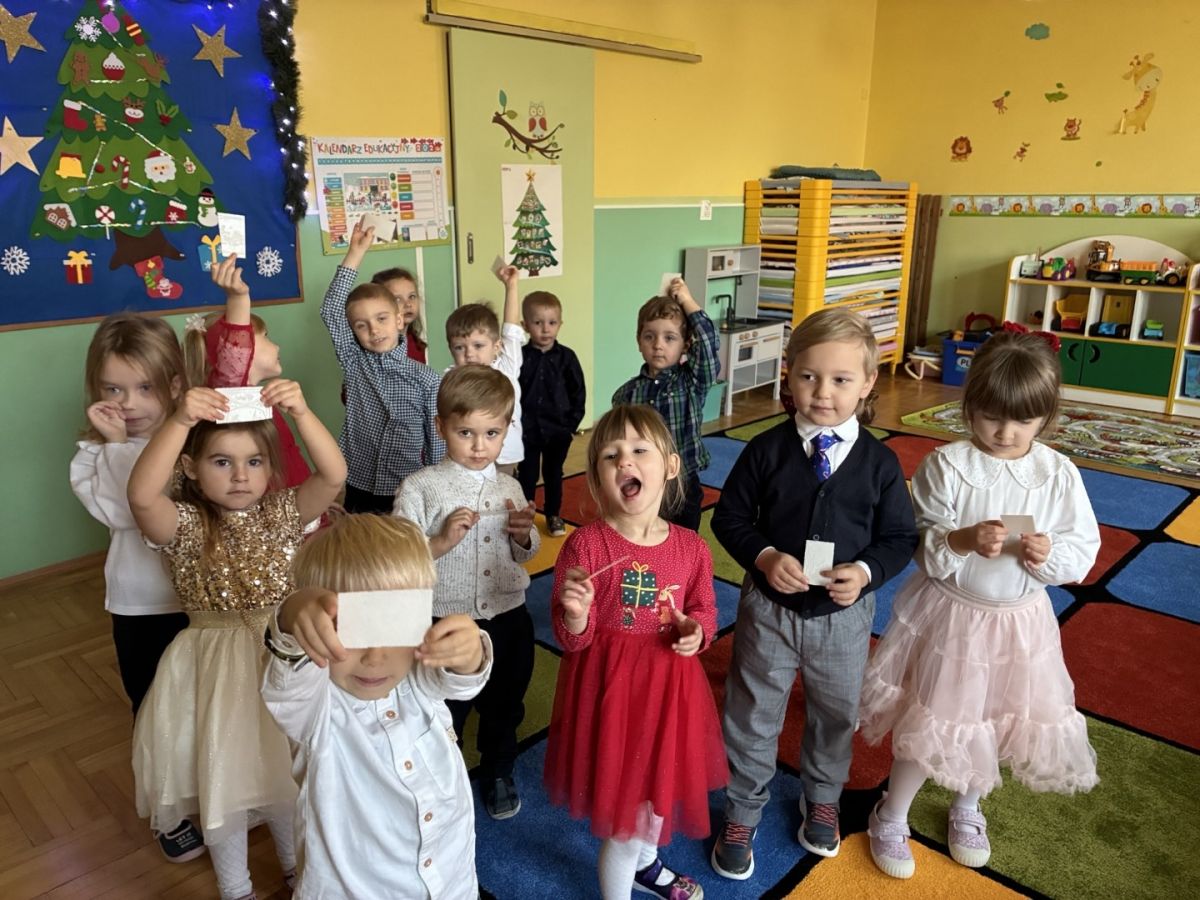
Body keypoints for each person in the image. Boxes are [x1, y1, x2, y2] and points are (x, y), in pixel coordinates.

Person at [858, 329, 1100, 880]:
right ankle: (891, 812)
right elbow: (919, 540)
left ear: (1046, 419)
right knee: (933, 717)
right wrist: (963, 540)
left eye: (1023, 421)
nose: (1005, 432)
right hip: (953, 617)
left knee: (995, 717)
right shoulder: (949, 464)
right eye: (992, 417)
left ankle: (968, 806)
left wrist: (1050, 553)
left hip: (1020, 623)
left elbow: (1082, 548)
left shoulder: (1057, 474)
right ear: (969, 408)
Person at [709, 309, 918, 879]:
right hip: (769, 611)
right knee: (751, 712)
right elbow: (729, 518)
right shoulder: (765, 449)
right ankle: (742, 809)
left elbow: (900, 537)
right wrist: (764, 556)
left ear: (868, 382)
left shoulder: (880, 463)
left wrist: (867, 572)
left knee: (835, 713)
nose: (823, 392)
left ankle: (822, 796)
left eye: (841, 379)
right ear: (789, 374)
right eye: (808, 376)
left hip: (843, 618)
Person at [127, 380, 346, 900]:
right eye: (222, 462)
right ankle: (235, 888)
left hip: (282, 658)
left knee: (284, 773)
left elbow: (333, 475)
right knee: (222, 782)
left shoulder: (282, 514)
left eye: (254, 461)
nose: (241, 475)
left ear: (270, 468)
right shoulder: (184, 524)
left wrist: (301, 411)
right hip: (212, 670)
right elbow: (141, 496)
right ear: (190, 467)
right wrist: (180, 420)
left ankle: (296, 869)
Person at [545, 404, 726, 900]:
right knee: (628, 821)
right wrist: (576, 614)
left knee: (659, 794)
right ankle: (628, 873)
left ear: (670, 466)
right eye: (611, 455)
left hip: (669, 694)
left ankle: (647, 865)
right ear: (598, 478)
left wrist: (695, 632)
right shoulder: (586, 546)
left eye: (639, 450)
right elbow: (572, 639)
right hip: (611, 696)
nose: (625, 461)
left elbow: (704, 610)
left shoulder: (691, 547)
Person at [262, 514, 492, 899]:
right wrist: (292, 615)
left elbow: (463, 682)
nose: (374, 656)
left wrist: (470, 651)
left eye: (393, 626)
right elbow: (285, 681)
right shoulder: (316, 708)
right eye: (349, 631)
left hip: (451, 876)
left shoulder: (416, 673)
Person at [68, 312, 205, 862]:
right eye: (113, 389)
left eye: (144, 387)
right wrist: (117, 445)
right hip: (140, 605)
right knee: (153, 709)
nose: (128, 402)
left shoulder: (195, 440)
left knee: (206, 702)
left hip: (204, 601)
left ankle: (213, 788)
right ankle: (168, 811)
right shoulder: (95, 455)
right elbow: (131, 510)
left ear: (174, 383)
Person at [393, 366, 539, 820]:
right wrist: (439, 543)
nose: (479, 446)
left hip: (509, 615)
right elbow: (397, 560)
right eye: (465, 433)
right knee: (445, 708)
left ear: (506, 430)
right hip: (444, 620)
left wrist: (524, 535)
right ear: (441, 427)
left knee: (506, 702)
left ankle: (498, 769)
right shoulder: (420, 487)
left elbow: (526, 553)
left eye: (491, 433)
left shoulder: (510, 486)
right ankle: (443, 776)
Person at [321, 221, 444, 513]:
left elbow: (436, 441)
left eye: (381, 319)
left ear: (399, 320)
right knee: (362, 540)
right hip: (359, 479)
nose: (374, 330)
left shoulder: (426, 379)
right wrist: (355, 253)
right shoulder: (354, 361)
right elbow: (331, 309)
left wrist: (436, 487)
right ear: (353, 331)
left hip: (406, 485)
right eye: (361, 325)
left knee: (404, 543)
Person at [182, 253, 310, 487]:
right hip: (276, 506)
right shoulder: (230, 394)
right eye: (266, 337)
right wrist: (239, 298)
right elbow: (234, 350)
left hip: (298, 499)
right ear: (245, 349)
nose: (276, 346)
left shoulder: (255, 396)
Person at [611, 278, 719, 531]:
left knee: (684, 541)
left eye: (669, 338)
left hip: (683, 482)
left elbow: (708, 342)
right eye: (649, 336)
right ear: (639, 341)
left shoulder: (692, 382)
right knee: (643, 538)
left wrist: (687, 301)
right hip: (641, 482)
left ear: (686, 345)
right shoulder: (625, 395)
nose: (658, 345)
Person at [443, 264, 524, 476]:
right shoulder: (451, 378)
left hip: (504, 457)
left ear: (496, 346)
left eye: (478, 346)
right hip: (465, 459)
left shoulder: (506, 368)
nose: (469, 354)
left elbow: (512, 330)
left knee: (503, 493)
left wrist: (511, 286)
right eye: (459, 348)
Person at [517, 289, 586, 537]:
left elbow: (578, 392)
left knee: (554, 474)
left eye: (552, 323)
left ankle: (553, 514)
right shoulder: (520, 357)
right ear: (525, 325)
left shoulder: (567, 357)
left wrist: (570, 425)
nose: (545, 329)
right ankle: (524, 516)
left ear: (560, 324)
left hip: (558, 431)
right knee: (527, 475)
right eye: (538, 323)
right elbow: (511, 391)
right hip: (527, 431)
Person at [371, 266, 428, 363]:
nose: (408, 304)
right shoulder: (379, 346)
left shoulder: (416, 345)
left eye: (412, 296)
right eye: (397, 299)